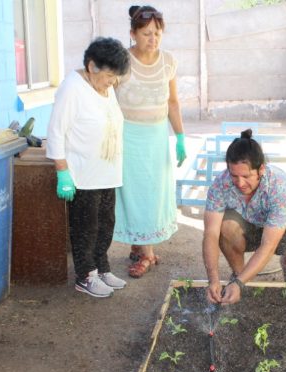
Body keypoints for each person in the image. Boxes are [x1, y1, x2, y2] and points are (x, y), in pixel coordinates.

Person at [46, 37, 131, 298]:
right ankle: (85, 276)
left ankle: (102, 268)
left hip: (106, 172)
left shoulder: (105, 88)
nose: (113, 81)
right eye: (109, 75)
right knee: (86, 227)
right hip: (82, 174)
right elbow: (56, 131)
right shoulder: (72, 87)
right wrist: (62, 171)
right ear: (92, 66)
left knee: (106, 224)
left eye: (116, 76)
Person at [203, 130, 286, 305]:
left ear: (261, 169)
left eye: (246, 176)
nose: (240, 183)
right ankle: (239, 275)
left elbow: (268, 244)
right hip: (248, 223)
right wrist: (213, 279)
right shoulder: (220, 184)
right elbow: (210, 235)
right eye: (234, 176)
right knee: (224, 227)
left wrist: (238, 285)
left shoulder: (279, 186)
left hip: (283, 226)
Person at [113, 5, 186, 278]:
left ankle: (145, 252)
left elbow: (173, 102)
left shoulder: (168, 62)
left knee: (153, 193)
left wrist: (179, 136)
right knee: (133, 193)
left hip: (156, 137)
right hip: (128, 137)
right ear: (133, 33)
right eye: (145, 33)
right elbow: (108, 99)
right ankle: (144, 251)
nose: (152, 38)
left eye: (156, 33)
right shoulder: (122, 61)